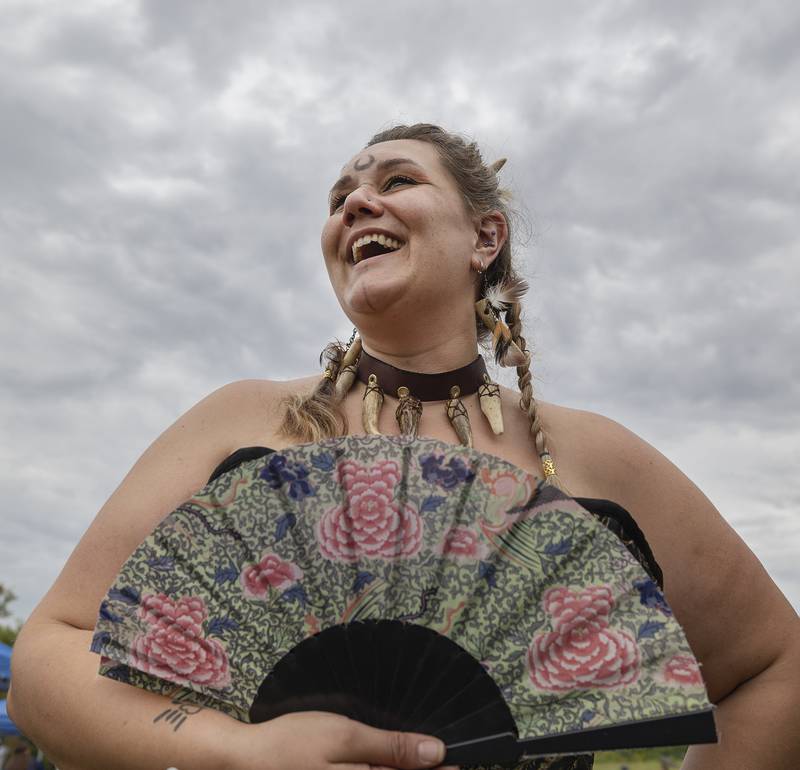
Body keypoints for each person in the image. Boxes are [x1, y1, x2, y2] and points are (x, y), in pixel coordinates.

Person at [7, 124, 800, 770]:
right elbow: (45, 661)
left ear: (485, 235)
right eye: (339, 196)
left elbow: (776, 667)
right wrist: (236, 752)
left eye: (396, 182)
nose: (356, 202)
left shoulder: (600, 460)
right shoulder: (241, 422)